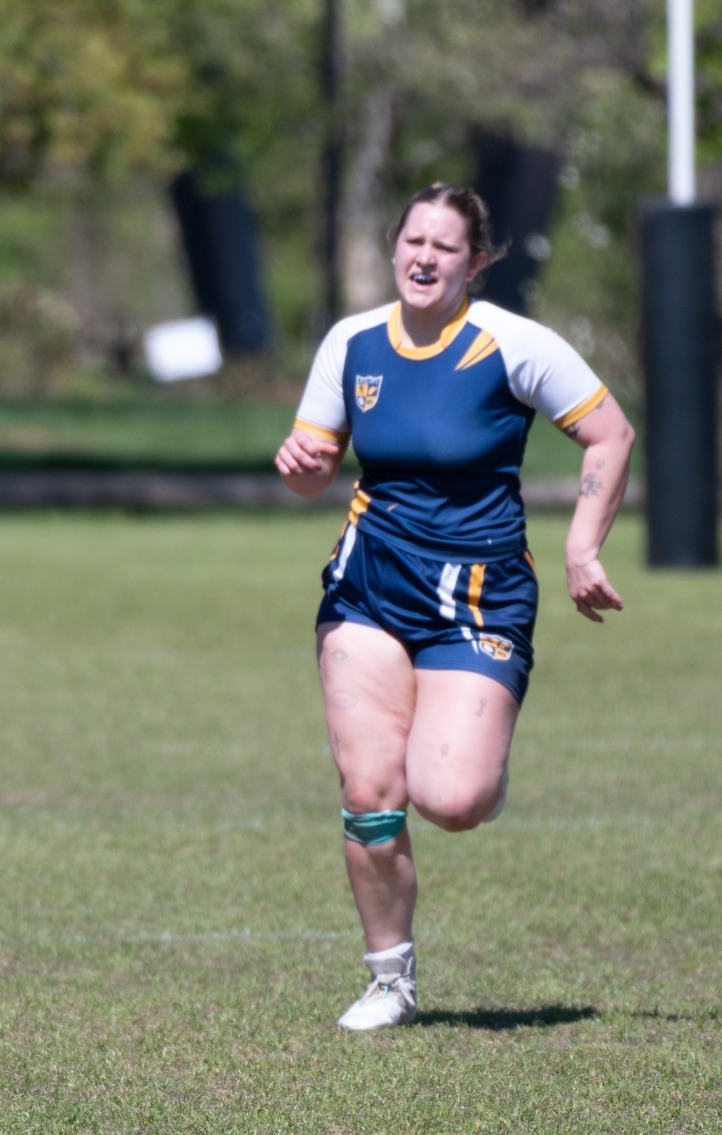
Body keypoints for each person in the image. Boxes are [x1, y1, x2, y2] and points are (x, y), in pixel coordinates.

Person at [275, 182, 636, 1031]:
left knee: (452, 799)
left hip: (479, 595)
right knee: (369, 788)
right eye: (413, 241)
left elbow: (611, 434)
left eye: (444, 247)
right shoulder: (352, 343)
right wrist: (303, 467)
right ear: (393, 247)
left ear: (475, 262)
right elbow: (315, 466)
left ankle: (477, 768)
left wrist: (582, 547)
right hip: (369, 584)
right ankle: (389, 980)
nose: (424, 258)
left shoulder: (514, 344)